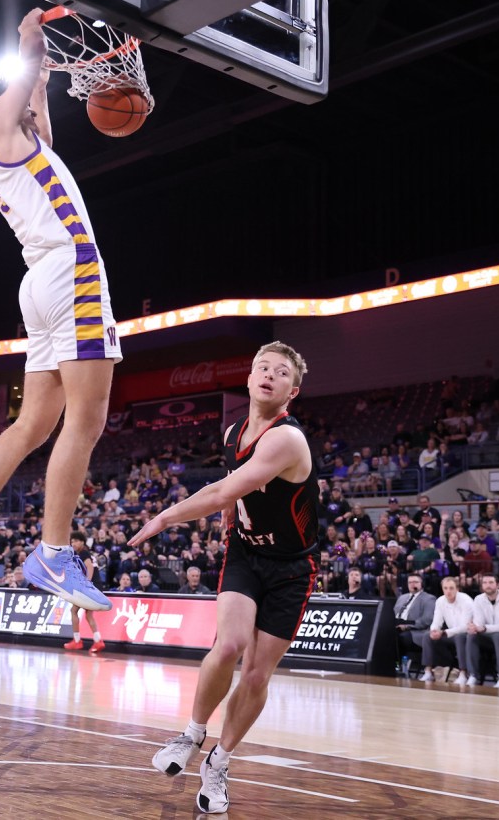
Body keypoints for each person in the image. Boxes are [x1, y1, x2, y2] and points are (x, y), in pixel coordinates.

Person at [0, 7, 120, 614]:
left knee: (34, 424)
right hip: (71, 271)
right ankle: (53, 553)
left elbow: (41, 113)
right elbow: (25, 75)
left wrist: (40, 83)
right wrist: (28, 41)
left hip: (43, 281)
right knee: (86, 422)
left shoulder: (23, 150)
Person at [132, 341, 318, 815]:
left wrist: (165, 517)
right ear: (250, 377)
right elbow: (234, 489)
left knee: (256, 673)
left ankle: (220, 760)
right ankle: (191, 734)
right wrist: (232, 508)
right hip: (245, 554)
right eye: (262, 367)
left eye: (281, 372)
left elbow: (221, 491)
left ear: (292, 391)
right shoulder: (234, 430)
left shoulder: (286, 438)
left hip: (291, 568)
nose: (269, 375)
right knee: (229, 643)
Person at [466, 574, 499, 687]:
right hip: (488, 634)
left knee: (498, 636)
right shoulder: (478, 599)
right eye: (485, 583)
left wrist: (484, 628)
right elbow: (478, 622)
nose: (487, 585)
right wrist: (474, 627)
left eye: (491, 582)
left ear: (498, 585)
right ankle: (473, 675)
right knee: (471, 635)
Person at [424, 576, 474, 684]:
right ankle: (428, 672)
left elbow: (465, 626)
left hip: (466, 634)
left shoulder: (466, 601)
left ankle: (463, 673)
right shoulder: (440, 601)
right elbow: (436, 621)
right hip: (450, 633)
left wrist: (444, 632)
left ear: (457, 589)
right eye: (445, 588)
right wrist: (434, 631)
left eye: (451, 588)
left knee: (459, 637)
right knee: (427, 635)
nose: (448, 591)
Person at [62, 531, 104, 653]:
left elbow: (89, 567)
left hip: (91, 586)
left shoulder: (84, 553)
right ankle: (97, 640)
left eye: (76, 541)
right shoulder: (80, 555)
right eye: (72, 541)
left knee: (74, 611)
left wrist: (86, 584)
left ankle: (78, 641)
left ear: (82, 542)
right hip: (96, 586)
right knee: (88, 614)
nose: (73, 544)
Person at [393, 573, 435, 678]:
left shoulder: (429, 598)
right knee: (382, 635)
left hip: (416, 631)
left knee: (398, 637)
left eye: (415, 582)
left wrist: (407, 626)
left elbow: (426, 620)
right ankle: (388, 666)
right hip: (397, 626)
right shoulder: (402, 597)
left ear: (422, 584)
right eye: (410, 582)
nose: (412, 584)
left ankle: (398, 667)